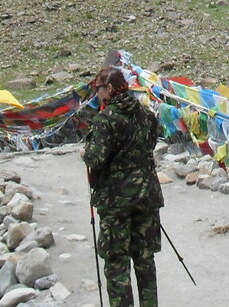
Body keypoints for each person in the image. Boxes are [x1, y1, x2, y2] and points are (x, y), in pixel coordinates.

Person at [81, 67, 163, 307]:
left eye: (98, 89)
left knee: (117, 263)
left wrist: (85, 153)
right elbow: (149, 145)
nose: (96, 95)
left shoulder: (105, 120)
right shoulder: (147, 115)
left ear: (108, 89)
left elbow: (96, 159)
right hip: (147, 197)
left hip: (115, 202)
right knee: (145, 260)